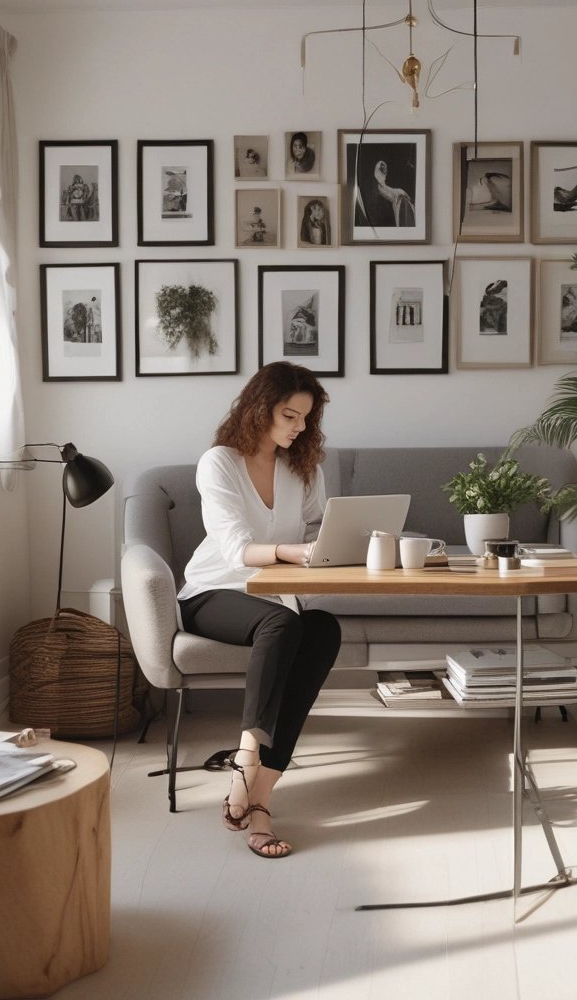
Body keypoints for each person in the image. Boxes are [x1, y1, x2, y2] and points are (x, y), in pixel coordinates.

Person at [177, 362, 341, 859]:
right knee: (282, 623)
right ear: (258, 408)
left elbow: (317, 528)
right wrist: (296, 553)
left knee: (323, 629)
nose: (298, 427)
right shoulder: (219, 462)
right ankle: (247, 758)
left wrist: (332, 545)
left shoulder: (302, 468)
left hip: (275, 596)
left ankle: (260, 798)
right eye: (289, 414)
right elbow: (234, 550)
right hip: (212, 592)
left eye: (305, 419)